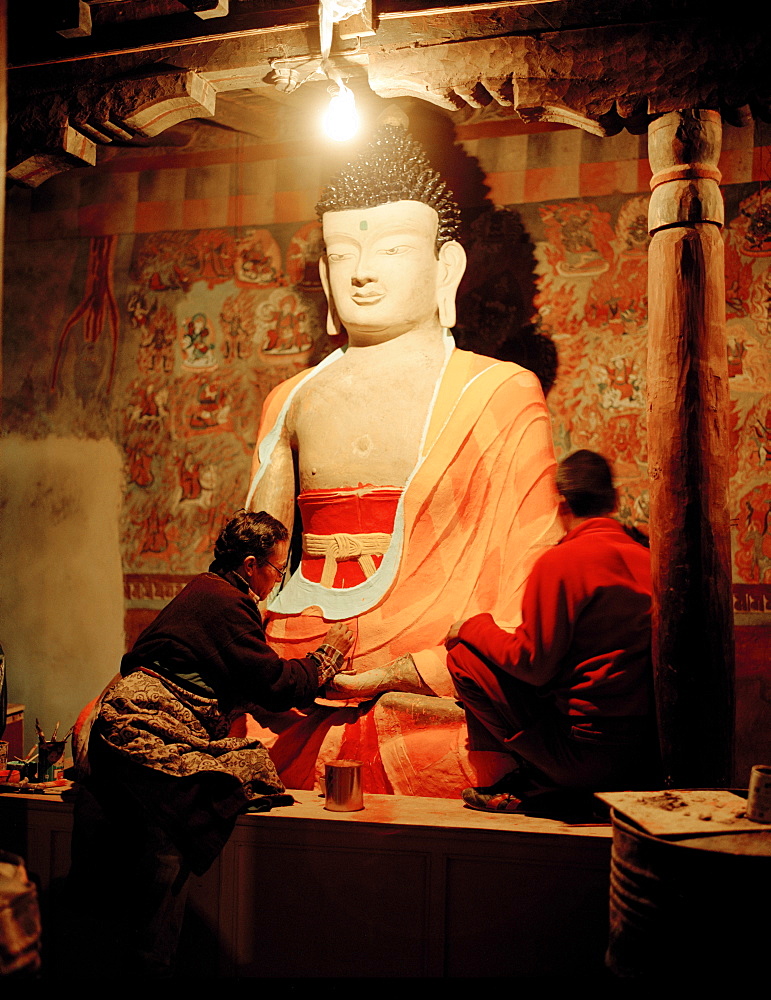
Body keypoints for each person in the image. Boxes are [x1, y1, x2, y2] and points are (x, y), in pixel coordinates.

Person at [244, 122, 561, 794]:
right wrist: (247, 655)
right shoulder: (291, 399)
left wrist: (408, 670)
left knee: (468, 756)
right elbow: (250, 565)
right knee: (119, 724)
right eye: (340, 252)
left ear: (446, 268)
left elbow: (530, 585)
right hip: (295, 657)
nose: (361, 271)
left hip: (429, 662)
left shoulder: (498, 390)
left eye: (391, 248)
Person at [65, 509, 353, 976]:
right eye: (277, 570)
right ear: (249, 564)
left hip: (129, 726)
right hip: (147, 729)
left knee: (159, 844)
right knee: (176, 831)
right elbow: (275, 683)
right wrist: (327, 655)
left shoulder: (208, 591)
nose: (277, 581)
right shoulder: (224, 601)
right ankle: (149, 961)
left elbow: (234, 675)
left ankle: (145, 954)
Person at [445, 450, 659, 812]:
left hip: (583, 754)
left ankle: (538, 778)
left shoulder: (560, 561)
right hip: (643, 752)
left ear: (561, 504)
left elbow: (532, 665)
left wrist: (473, 625)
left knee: (463, 658)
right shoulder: (648, 558)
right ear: (614, 499)